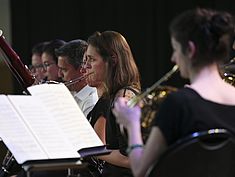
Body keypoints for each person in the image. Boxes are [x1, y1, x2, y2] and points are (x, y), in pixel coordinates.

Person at [112, 8, 235, 177]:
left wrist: (132, 124)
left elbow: (141, 170)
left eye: (175, 49)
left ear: (190, 50)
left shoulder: (178, 104)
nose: (173, 58)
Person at [82, 31, 141, 177]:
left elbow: (129, 159)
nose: (86, 67)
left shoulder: (124, 97)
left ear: (112, 60)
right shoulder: (114, 96)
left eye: (92, 60)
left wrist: (88, 149)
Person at [55, 39, 98, 117]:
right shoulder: (70, 95)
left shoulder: (91, 102)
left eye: (64, 70)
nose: (59, 75)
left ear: (81, 69)